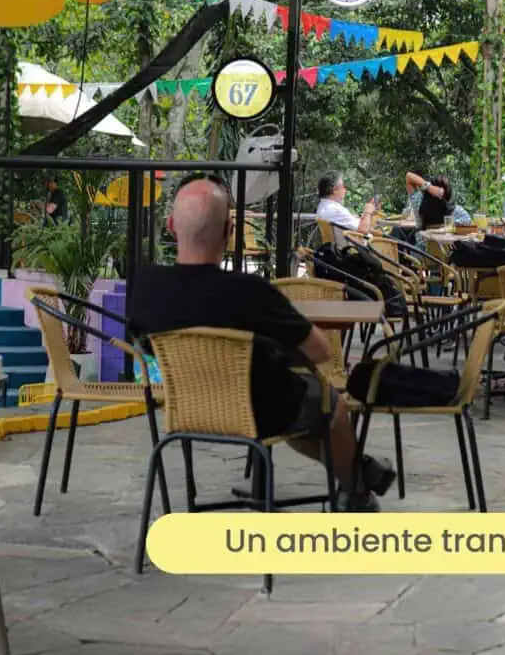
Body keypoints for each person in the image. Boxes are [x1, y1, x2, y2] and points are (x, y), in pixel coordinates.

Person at [128, 174, 394, 511]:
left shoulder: (145, 288)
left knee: (303, 407)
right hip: (261, 410)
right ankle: (357, 485)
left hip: (184, 407)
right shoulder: (251, 292)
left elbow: (144, 345)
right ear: (228, 232)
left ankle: (358, 473)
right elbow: (322, 350)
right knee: (328, 403)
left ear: (170, 226)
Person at [405, 172, 472, 252]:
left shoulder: (418, 203)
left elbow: (409, 176)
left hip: (422, 255)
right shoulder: (457, 212)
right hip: (447, 257)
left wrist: (429, 187)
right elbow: (469, 224)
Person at [316, 172, 377, 238]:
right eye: (343, 186)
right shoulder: (335, 210)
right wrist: (367, 212)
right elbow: (363, 230)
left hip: (345, 244)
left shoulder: (323, 206)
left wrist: (365, 216)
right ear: (335, 190)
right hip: (361, 245)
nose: (345, 189)